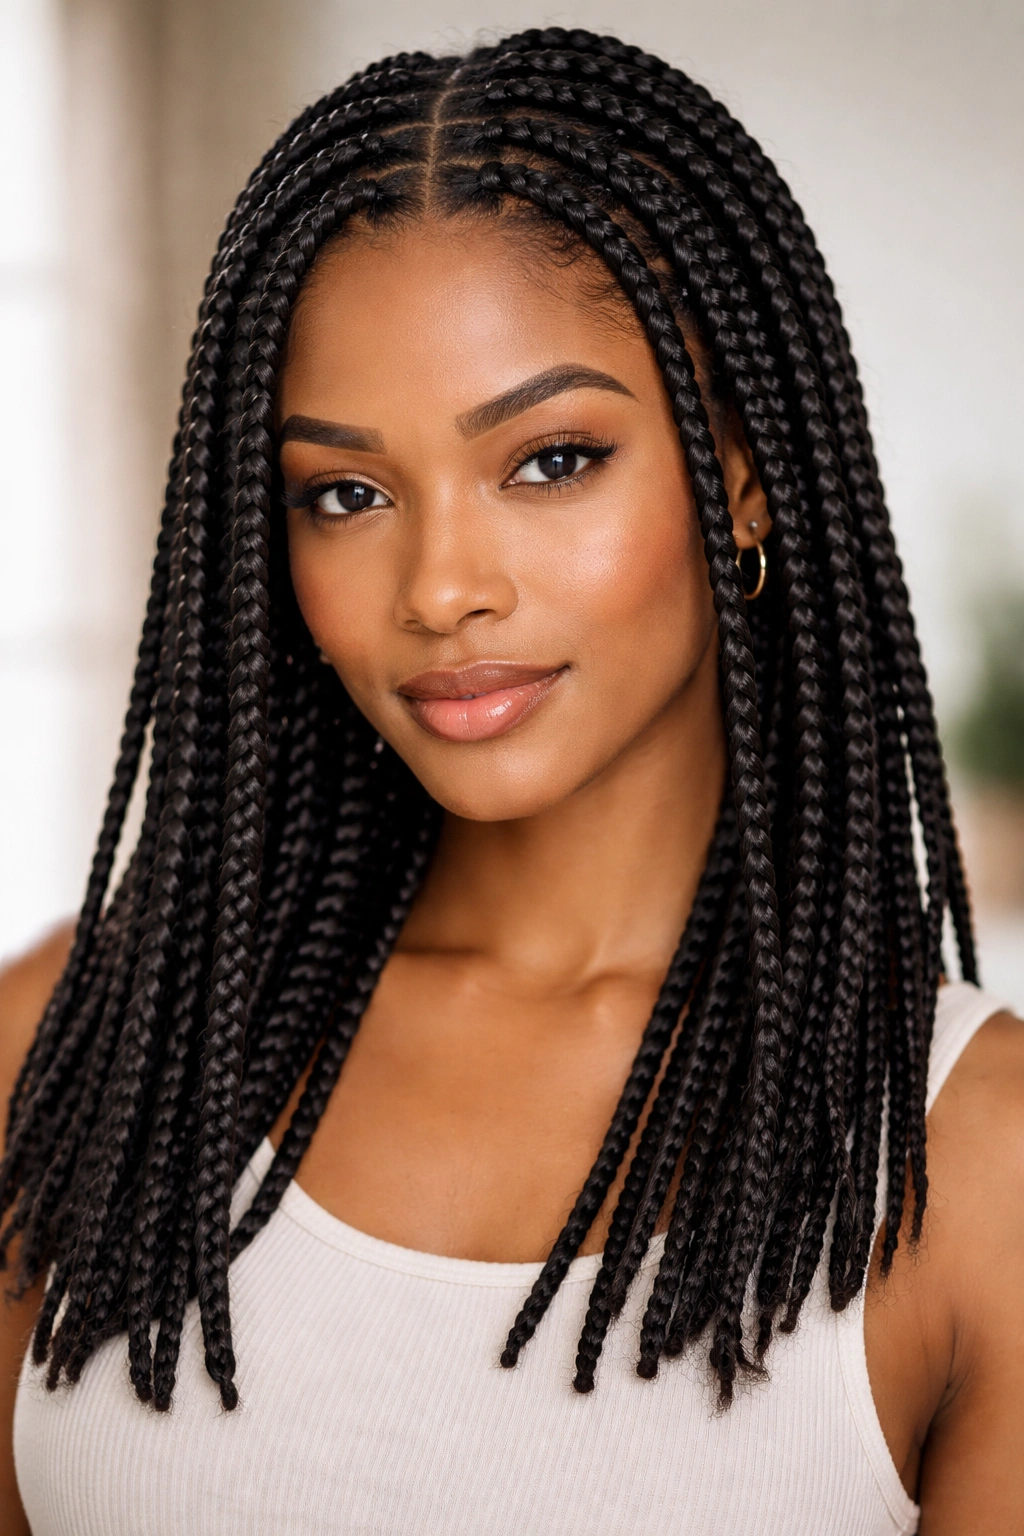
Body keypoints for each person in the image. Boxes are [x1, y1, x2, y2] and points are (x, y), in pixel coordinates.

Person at [1, 28, 1021, 1535]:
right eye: (347, 492)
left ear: (742, 468)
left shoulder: (978, 1173)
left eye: (549, 460)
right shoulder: (85, 1049)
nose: (440, 588)